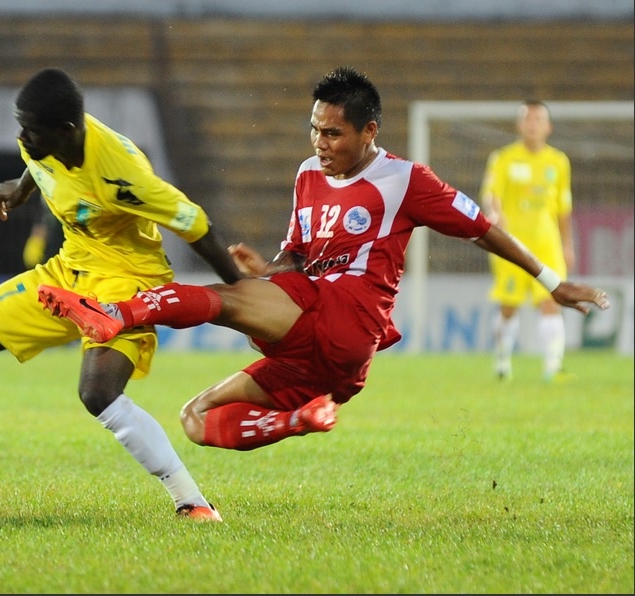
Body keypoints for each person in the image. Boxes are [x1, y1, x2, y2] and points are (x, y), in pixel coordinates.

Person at [37, 66, 611, 454]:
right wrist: (270, 271)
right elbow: (299, 257)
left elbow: (485, 231)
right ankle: (301, 418)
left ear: (370, 131)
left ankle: (117, 314)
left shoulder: (406, 179)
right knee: (197, 419)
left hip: (353, 314)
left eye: (333, 133)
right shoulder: (308, 175)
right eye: (314, 129)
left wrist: (553, 282)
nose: (319, 143)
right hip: (327, 361)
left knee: (228, 301)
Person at [0, 67, 243, 520]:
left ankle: (192, 501)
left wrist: (241, 290)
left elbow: (196, 226)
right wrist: (20, 190)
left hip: (128, 278)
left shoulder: (122, 175)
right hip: (69, 268)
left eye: (31, 131)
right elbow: (38, 162)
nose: (22, 136)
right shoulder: (39, 140)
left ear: (66, 131)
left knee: (97, 393)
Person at [479, 100, 576, 382]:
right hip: (510, 245)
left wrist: (568, 244)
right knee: (509, 306)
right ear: (519, 125)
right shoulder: (503, 158)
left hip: (547, 245)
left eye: (538, 120)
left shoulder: (558, 162)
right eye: (527, 119)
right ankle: (502, 361)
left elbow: (563, 208)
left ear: (548, 127)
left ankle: (553, 368)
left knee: (550, 302)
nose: (532, 124)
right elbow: (491, 193)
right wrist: (495, 212)